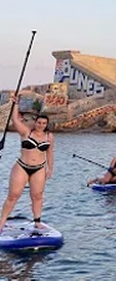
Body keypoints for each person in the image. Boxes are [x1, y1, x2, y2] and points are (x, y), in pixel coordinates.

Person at [0, 94, 54, 229]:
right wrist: (16, 104)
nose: (41, 125)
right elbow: (15, 120)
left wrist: (50, 169)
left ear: (46, 124)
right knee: (13, 195)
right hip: (22, 167)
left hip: (39, 168)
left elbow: (50, 153)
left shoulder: (49, 136)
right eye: (39, 123)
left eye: (44, 123)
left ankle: (37, 221)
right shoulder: (26, 132)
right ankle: (2, 222)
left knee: (37, 196)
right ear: (35, 122)